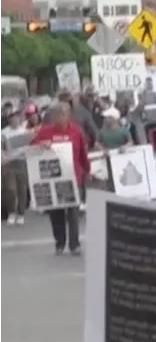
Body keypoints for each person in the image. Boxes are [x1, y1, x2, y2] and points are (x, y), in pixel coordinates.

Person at [31, 103, 89, 255]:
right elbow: (32, 149)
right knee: (56, 213)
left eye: (63, 114)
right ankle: (60, 242)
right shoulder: (45, 132)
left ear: (69, 115)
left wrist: (87, 171)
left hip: (73, 177)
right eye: (57, 114)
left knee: (73, 213)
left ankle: (74, 244)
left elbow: (83, 152)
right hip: (53, 180)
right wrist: (40, 145)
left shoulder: (76, 131)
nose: (60, 117)